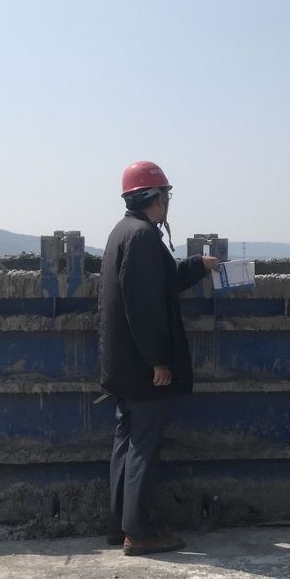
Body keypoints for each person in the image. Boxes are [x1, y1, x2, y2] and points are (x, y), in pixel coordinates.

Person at [99, 160, 217, 556]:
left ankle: (119, 525)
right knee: (143, 448)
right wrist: (158, 361)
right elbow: (145, 307)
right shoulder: (143, 238)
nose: (167, 201)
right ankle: (138, 533)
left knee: (126, 441)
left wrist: (197, 266)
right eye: (165, 194)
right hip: (142, 366)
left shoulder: (123, 232)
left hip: (121, 363)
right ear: (155, 197)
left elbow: (160, 282)